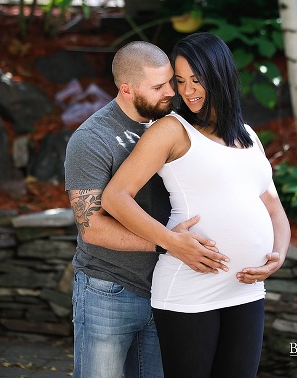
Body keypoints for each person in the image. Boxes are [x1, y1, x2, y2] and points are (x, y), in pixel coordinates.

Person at [102, 32, 291, 378]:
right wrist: (170, 241)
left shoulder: (248, 135)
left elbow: (274, 208)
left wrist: (277, 255)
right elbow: (115, 197)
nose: (187, 90)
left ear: (219, 75)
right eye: (180, 80)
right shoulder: (171, 130)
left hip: (246, 288)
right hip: (189, 288)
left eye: (197, 79)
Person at [66, 41, 229, 378]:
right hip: (108, 289)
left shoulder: (178, 124)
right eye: (158, 87)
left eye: (171, 81)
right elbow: (92, 227)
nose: (171, 92)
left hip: (168, 289)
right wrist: (169, 243)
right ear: (127, 90)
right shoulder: (92, 139)